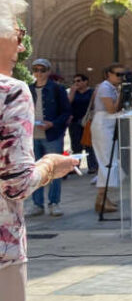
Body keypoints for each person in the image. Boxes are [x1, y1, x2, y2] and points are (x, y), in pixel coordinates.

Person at [0, 0, 79, 301]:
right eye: (17, 32)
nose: (22, 43)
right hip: (2, 252)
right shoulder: (11, 93)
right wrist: (49, 166)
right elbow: (16, 184)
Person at [27, 57, 72, 217]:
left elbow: (67, 112)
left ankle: (54, 203)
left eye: (42, 70)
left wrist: (52, 124)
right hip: (32, 136)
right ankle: (37, 204)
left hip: (52, 135)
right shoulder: (28, 89)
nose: (39, 73)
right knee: (34, 172)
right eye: (36, 70)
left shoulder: (57, 89)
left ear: (48, 71)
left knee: (54, 170)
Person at [92, 62, 125, 214]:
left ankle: (103, 197)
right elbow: (112, 109)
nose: (121, 77)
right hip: (103, 125)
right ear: (109, 74)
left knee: (109, 161)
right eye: (118, 74)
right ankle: (101, 198)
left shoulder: (112, 88)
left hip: (108, 125)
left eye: (122, 74)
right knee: (106, 161)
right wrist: (121, 94)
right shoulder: (105, 87)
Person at [67, 73, 99, 173]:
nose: (76, 83)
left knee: (89, 144)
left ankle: (92, 166)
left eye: (79, 81)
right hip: (75, 122)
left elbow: (94, 105)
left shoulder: (91, 92)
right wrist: (72, 92)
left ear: (85, 81)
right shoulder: (73, 92)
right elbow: (67, 104)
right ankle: (76, 167)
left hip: (88, 121)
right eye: (74, 81)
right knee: (76, 145)